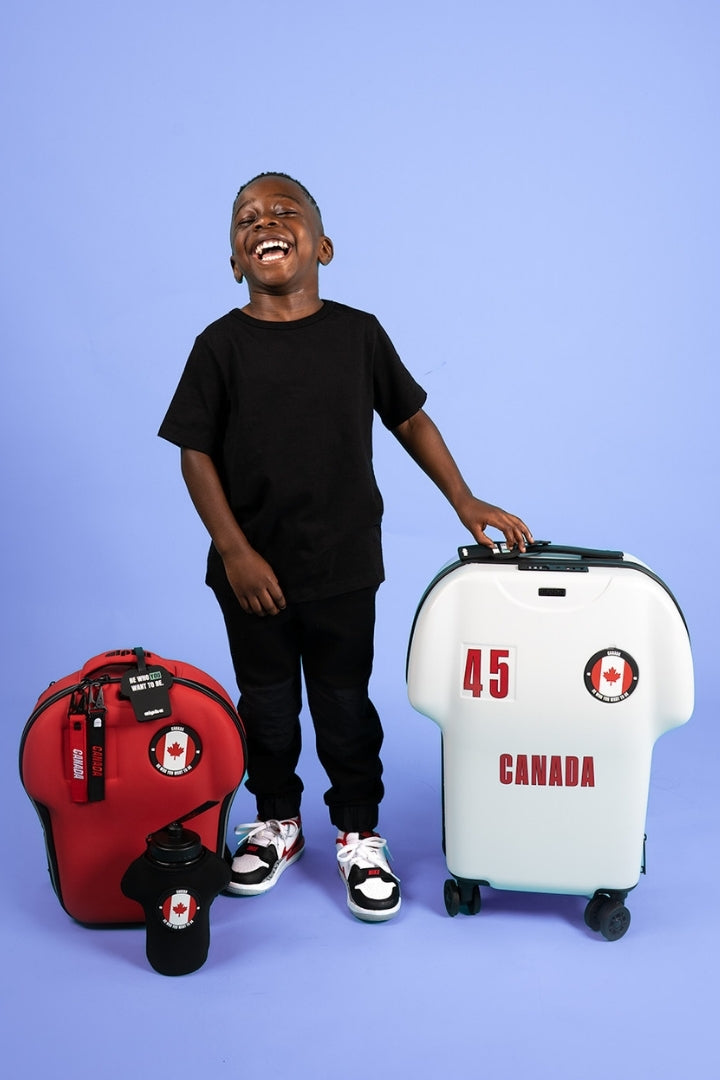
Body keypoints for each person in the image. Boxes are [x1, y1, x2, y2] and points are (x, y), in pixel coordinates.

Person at [158, 172, 533, 922]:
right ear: (234, 260)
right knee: (265, 704)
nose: (264, 222)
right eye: (246, 219)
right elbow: (192, 452)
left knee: (343, 704)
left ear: (322, 246)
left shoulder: (358, 334)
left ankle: (360, 833)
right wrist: (233, 551)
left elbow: (411, 419)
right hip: (251, 574)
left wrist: (464, 499)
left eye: (284, 211)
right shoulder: (219, 346)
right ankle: (276, 822)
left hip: (343, 567)